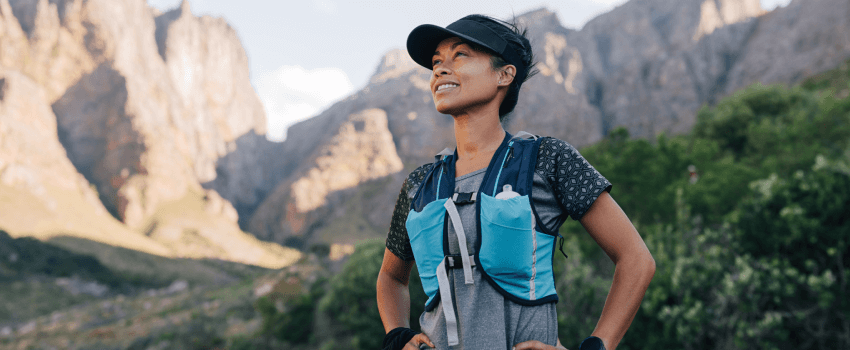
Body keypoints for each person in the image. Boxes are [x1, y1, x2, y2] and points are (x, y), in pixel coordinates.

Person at [376, 14, 655, 350]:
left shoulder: (548, 159)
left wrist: (597, 346)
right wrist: (398, 335)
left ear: (505, 74)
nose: (440, 69)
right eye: (436, 62)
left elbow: (636, 258)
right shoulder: (420, 183)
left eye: (460, 55)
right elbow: (392, 278)